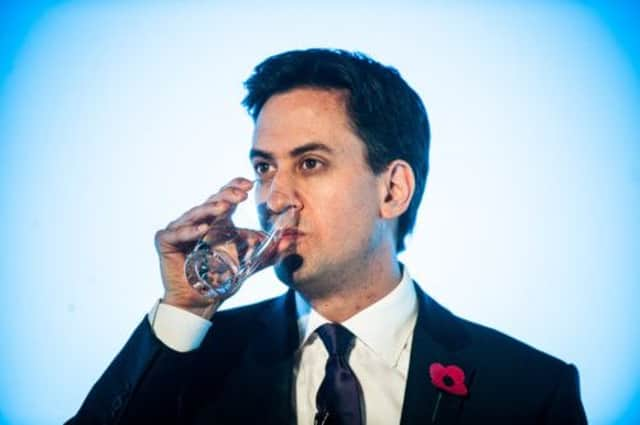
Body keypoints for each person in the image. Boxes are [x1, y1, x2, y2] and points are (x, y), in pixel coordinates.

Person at [68, 48, 587, 425]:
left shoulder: (528, 390)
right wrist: (183, 311)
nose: (273, 198)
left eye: (310, 163)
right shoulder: (195, 360)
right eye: (264, 167)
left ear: (393, 190)